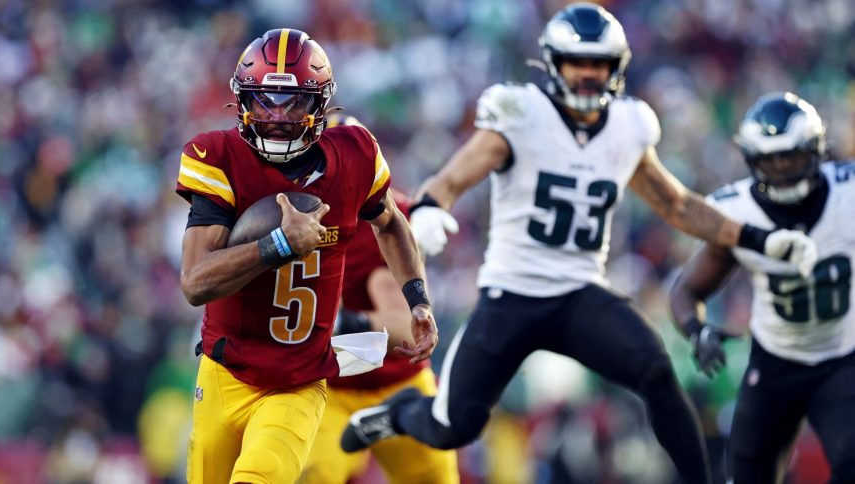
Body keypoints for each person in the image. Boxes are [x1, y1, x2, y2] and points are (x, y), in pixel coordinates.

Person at [339, 5, 817, 484]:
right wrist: (429, 210)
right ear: (553, 64)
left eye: (599, 65)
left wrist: (760, 239)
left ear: (617, 68)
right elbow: (453, 177)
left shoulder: (629, 126)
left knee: (656, 371)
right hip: (512, 295)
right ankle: (397, 414)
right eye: (577, 63)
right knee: (453, 426)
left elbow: (678, 205)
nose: (588, 76)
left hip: (579, 293)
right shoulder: (521, 114)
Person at [176, 29, 438, 484]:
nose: (277, 117)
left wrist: (417, 298)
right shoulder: (217, 157)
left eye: (293, 102)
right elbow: (196, 282)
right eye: (264, 101)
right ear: (242, 101)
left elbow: (391, 221)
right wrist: (277, 245)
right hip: (224, 373)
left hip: (298, 380)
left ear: (320, 105)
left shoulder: (355, 154)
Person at [669, 92, 855, 483]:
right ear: (752, 161)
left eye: (792, 156)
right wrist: (696, 330)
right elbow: (686, 292)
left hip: (842, 360)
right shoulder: (736, 214)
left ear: (817, 151)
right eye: (771, 160)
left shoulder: (848, 193)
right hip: (776, 363)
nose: (784, 170)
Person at [299, 114, 459, 484]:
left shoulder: (385, 221)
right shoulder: (283, 212)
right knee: (312, 475)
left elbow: (407, 327)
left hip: (396, 385)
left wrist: (338, 324)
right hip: (328, 388)